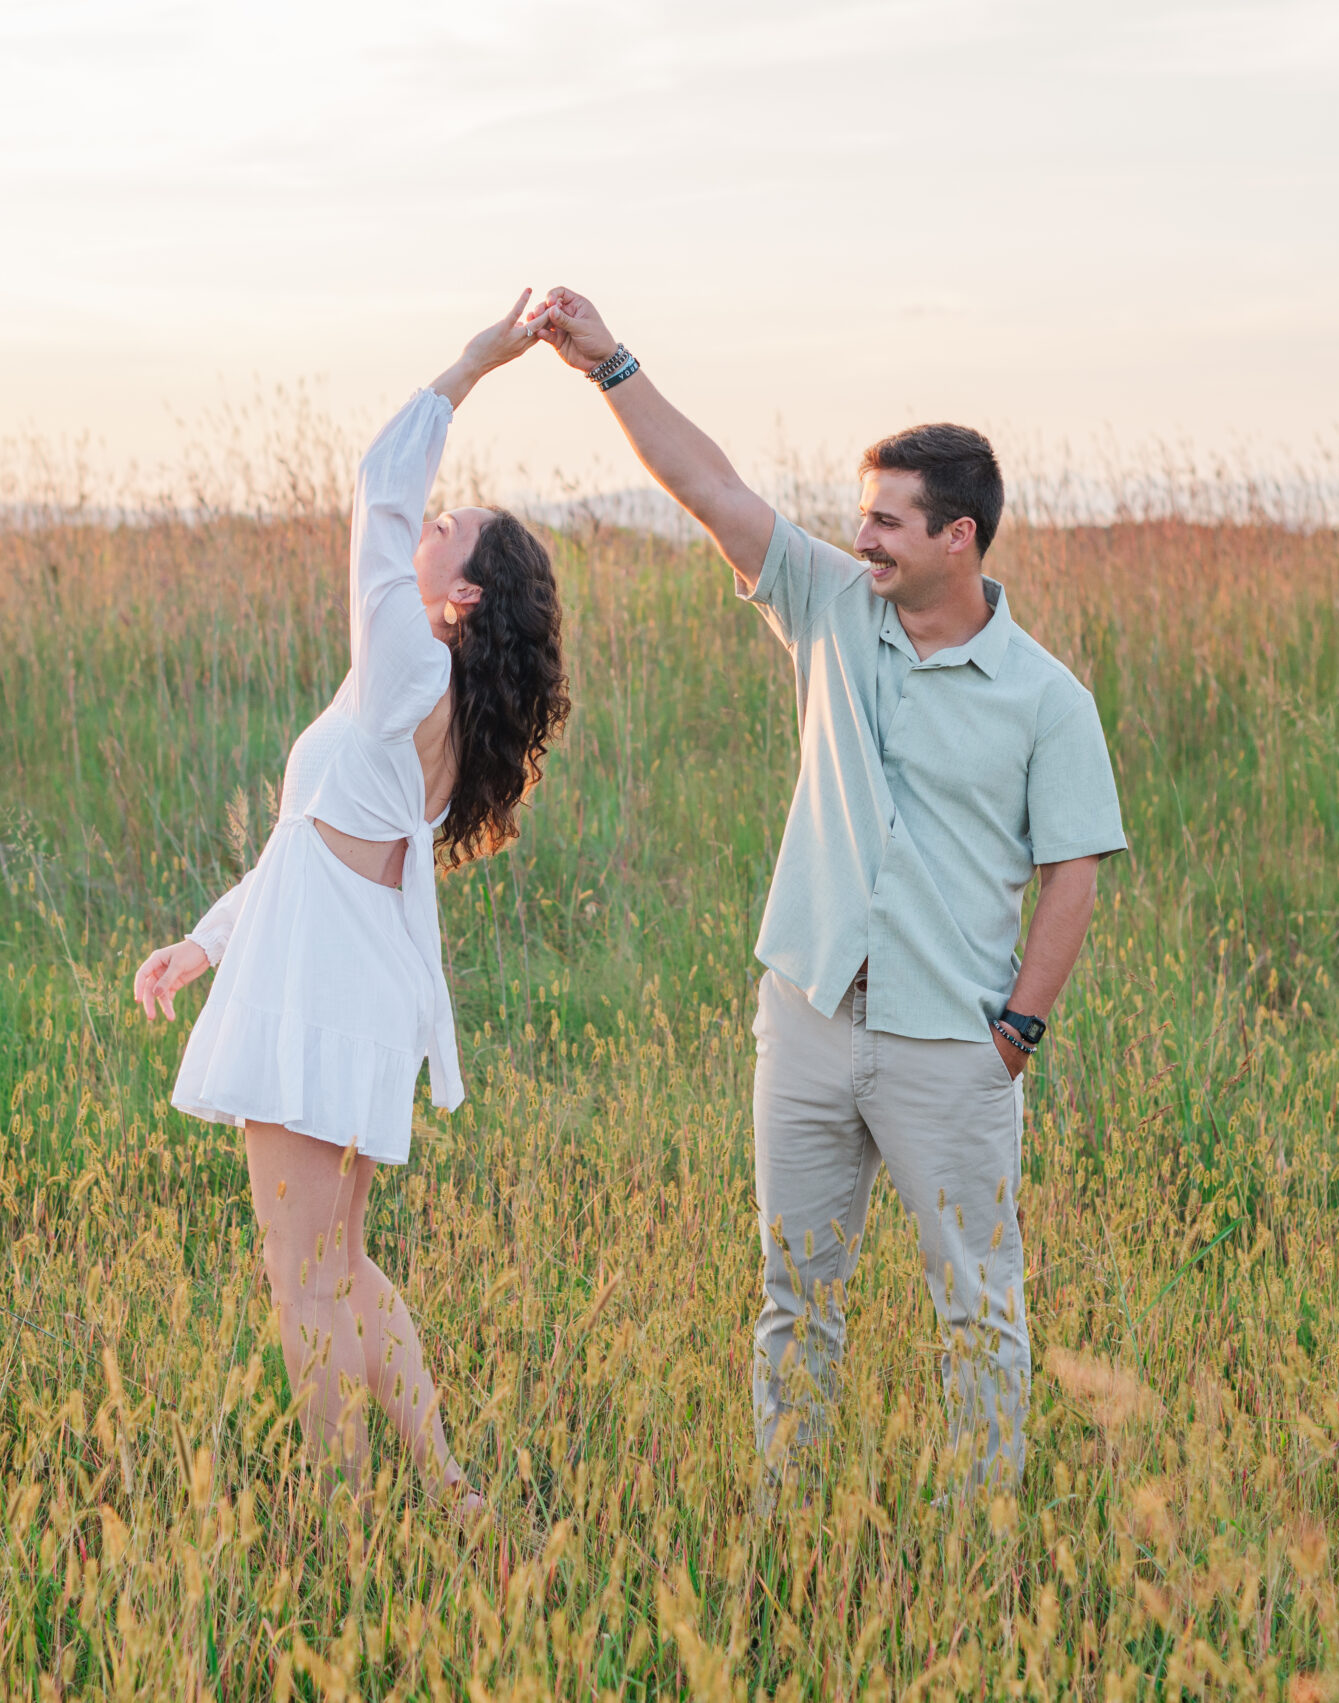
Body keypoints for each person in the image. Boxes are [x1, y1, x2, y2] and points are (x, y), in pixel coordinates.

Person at [529, 288, 1127, 1495]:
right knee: (793, 1297)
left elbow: (1075, 869)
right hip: (805, 1017)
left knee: (977, 1311)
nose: (865, 539)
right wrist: (610, 364)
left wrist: (1015, 1029)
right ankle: (789, 1523)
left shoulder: (1046, 698)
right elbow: (711, 487)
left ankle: (978, 1545)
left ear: (959, 536)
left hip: (950, 1044)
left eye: (891, 523)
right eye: (861, 517)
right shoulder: (827, 609)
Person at [131, 293, 568, 1515]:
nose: (424, 528)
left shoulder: (408, 670)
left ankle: (342, 1510)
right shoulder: (415, 697)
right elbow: (308, 855)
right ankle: (447, 1487)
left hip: (318, 1004)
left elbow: (376, 488)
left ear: (463, 594)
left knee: (301, 1280)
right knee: (339, 1261)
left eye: (448, 529)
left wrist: (478, 359)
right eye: (439, 517)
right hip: (336, 987)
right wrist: (206, 942)